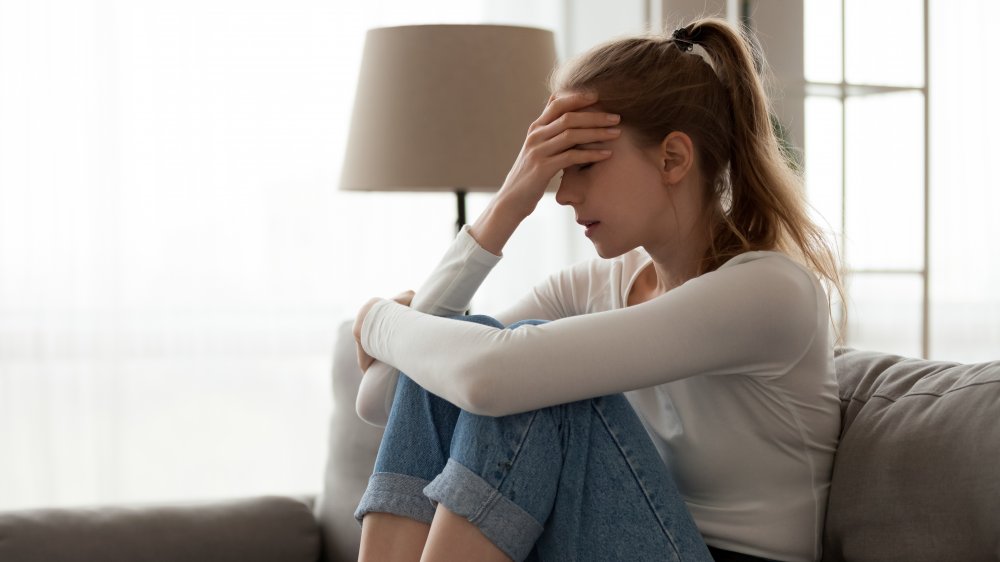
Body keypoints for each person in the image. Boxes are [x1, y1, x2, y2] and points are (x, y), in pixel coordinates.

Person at [350, 17, 843, 562]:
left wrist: (380, 319)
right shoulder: (591, 287)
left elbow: (489, 376)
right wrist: (506, 206)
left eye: (580, 164)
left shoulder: (769, 292)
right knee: (468, 355)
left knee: (525, 376)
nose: (561, 195)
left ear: (673, 158)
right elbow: (381, 398)